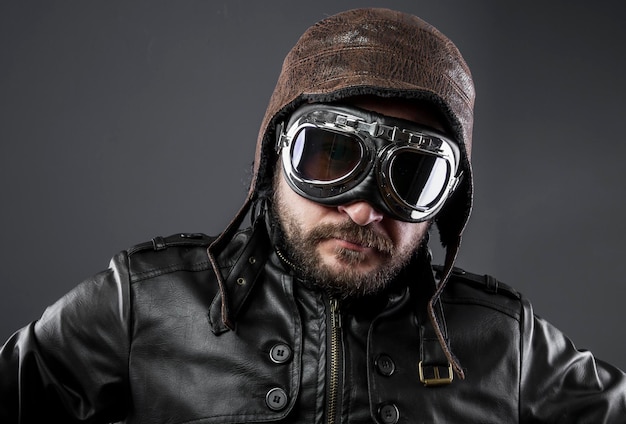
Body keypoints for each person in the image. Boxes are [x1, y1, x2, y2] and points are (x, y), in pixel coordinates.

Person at [1, 7, 625, 423]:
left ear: (448, 200)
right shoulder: (146, 304)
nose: (362, 208)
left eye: (411, 176)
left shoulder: (501, 342)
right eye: (331, 156)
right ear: (275, 155)